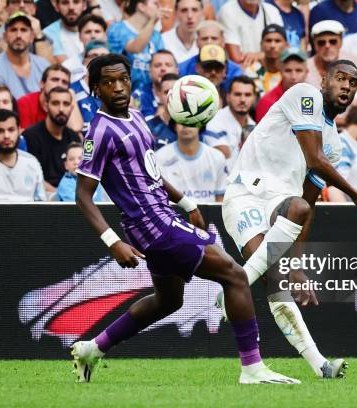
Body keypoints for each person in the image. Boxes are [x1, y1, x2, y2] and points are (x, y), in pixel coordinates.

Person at [70, 52, 299, 385]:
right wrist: (113, 241)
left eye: (123, 79)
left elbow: (150, 172)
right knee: (235, 276)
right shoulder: (100, 132)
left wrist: (187, 202)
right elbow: (83, 196)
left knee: (169, 301)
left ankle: (93, 348)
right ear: (95, 89)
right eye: (108, 82)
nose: (118, 87)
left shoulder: (134, 116)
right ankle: (252, 368)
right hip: (154, 227)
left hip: (162, 216)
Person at [219, 59, 357, 379]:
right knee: (274, 282)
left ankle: (321, 367)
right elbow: (313, 158)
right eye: (340, 78)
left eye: (352, 82)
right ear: (324, 80)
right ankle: (277, 361)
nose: (346, 86)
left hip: (281, 203)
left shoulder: (334, 144)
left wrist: (298, 264)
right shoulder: (305, 94)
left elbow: (308, 201)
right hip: (245, 194)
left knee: (300, 213)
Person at [0, 109, 46, 201]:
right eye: (0, 131)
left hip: (27, 215)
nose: (6, 135)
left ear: (19, 130)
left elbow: (41, 203)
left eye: (11, 130)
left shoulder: (32, 162)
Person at [22, 87, 81, 191]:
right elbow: (31, 177)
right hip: (43, 199)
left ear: (71, 108)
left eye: (66, 104)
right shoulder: (30, 136)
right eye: (55, 103)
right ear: (46, 106)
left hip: (71, 195)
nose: (61, 109)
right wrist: (59, 196)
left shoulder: (73, 137)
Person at [156, 123, 227, 203]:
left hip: (208, 214)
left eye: (190, 121)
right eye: (181, 121)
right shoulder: (160, 156)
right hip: (174, 213)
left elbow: (221, 198)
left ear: (200, 125)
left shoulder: (217, 156)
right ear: (175, 126)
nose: (185, 126)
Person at [107, 0, 168, 93]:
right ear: (141, 6)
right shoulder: (117, 28)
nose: (159, 9)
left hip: (149, 96)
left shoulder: (156, 36)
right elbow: (135, 48)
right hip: (122, 92)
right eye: (155, 4)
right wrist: (153, 21)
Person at [306, 20, 357, 103]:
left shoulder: (354, 61)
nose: (327, 46)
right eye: (321, 42)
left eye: (333, 41)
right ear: (314, 45)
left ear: (341, 42)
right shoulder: (305, 68)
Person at [205, 76, 256, 170]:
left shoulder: (254, 126)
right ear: (228, 97)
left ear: (254, 98)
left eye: (248, 95)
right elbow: (223, 161)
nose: (243, 100)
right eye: (237, 94)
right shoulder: (214, 122)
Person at [0, 12, 51, 99]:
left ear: (32, 37)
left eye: (23, 30)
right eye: (13, 30)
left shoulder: (43, 65)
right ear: (5, 36)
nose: (18, 35)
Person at [178, 20, 243, 91]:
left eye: (214, 38)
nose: (209, 42)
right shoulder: (183, 69)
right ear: (197, 42)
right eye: (204, 39)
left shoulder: (235, 71)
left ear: (223, 42)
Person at [17, 64, 83, 131]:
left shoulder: (66, 102)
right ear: (42, 84)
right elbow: (25, 135)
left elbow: (75, 128)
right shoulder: (25, 102)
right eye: (55, 80)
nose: (59, 85)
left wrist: (71, 94)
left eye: (64, 82)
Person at [217, 0, 283, 67]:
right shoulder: (227, 11)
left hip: (270, 69)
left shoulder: (272, 10)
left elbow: (283, 48)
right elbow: (236, 59)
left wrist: (261, 55)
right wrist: (269, 55)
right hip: (241, 71)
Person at [255, 47, 308, 122]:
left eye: (298, 70)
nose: (293, 76)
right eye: (288, 71)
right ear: (280, 72)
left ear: (306, 72)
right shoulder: (267, 101)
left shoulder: (316, 99)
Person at [71, 40, 109, 134]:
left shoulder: (118, 91)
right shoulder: (72, 90)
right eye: (94, 56)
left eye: (104, 56)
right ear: (84, 61)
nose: (100, 60)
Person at [132, 50, 178, 120]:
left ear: (177, 70)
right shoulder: (139, 96)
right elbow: (146, 129)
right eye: (158, 65)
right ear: (149, 71)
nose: (163, 69)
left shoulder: (188, 93)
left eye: (168, 65)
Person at [243, 24, 287, 96]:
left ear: (286, 45)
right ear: (261, 44)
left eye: (277, 41)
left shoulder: (290, 71)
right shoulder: (252, 70)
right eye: (268, 41)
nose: (272, 45)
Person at [62, 13, 108, 81]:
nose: (93, 36)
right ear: (79, 37)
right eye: (88, 32)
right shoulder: (68, 66)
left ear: (105, 36)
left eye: (97, 31)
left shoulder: (116, 63)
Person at [146, 73, 179, 149]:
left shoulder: (194, 126)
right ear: (159, 95)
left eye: (176, 91)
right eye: (166, 92)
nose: (171, 96)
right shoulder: (147, 128)